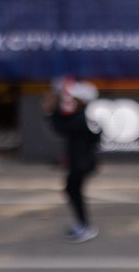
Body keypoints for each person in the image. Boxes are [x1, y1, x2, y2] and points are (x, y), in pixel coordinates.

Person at [43, 76, 101, 242]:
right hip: (80, 161)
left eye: (75, 97)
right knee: (72, 189)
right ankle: (82, 224)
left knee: (73, 189)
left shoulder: (81, 118)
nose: (70, 99)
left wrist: (50, 112)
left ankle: (86, 226)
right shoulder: (79, 116)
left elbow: (62, 127)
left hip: (82, 163)